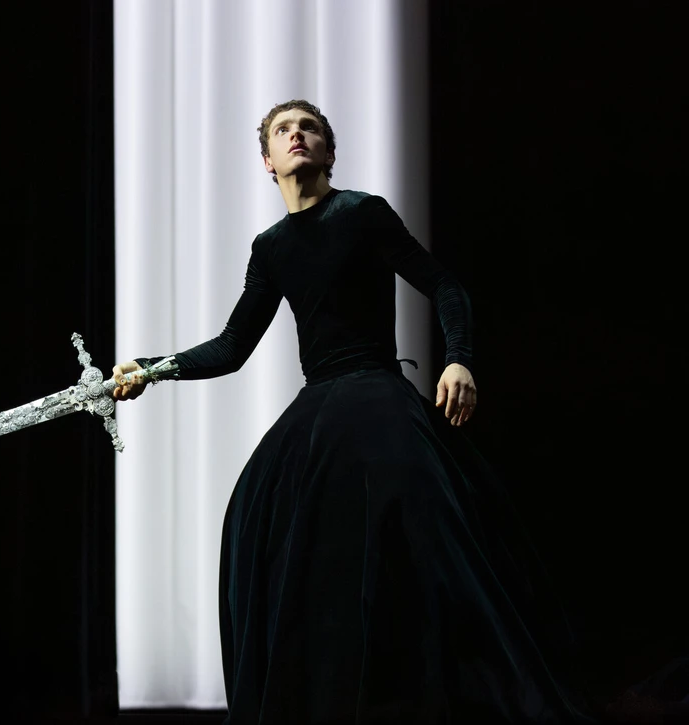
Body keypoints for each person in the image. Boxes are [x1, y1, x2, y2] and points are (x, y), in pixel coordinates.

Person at [111, 100, 596, 723]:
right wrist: (152, 369)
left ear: (329, 152)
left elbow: (445, 285)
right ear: (267, 161)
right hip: (320, 403)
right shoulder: (271, 247)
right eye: (283, 131)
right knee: (256, 517)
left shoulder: (362, 213)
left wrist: (460, 359)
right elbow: (233, 347)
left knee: (415, 528)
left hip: (376, 388)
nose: (297, 136)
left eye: (309, 128)